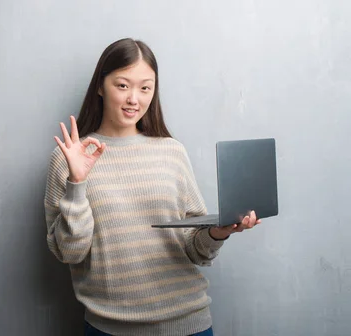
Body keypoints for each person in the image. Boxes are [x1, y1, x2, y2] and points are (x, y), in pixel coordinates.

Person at [43, 38, 261, 336]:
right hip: (110, 328)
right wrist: (77, 183)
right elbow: (70, 252)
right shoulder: (69, 157)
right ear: (99, 86)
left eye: (145, 88)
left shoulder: (171, 151)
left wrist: (217, 232)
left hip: (189, 323)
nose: (134, 98)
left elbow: (196, 250)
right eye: (122, 85)